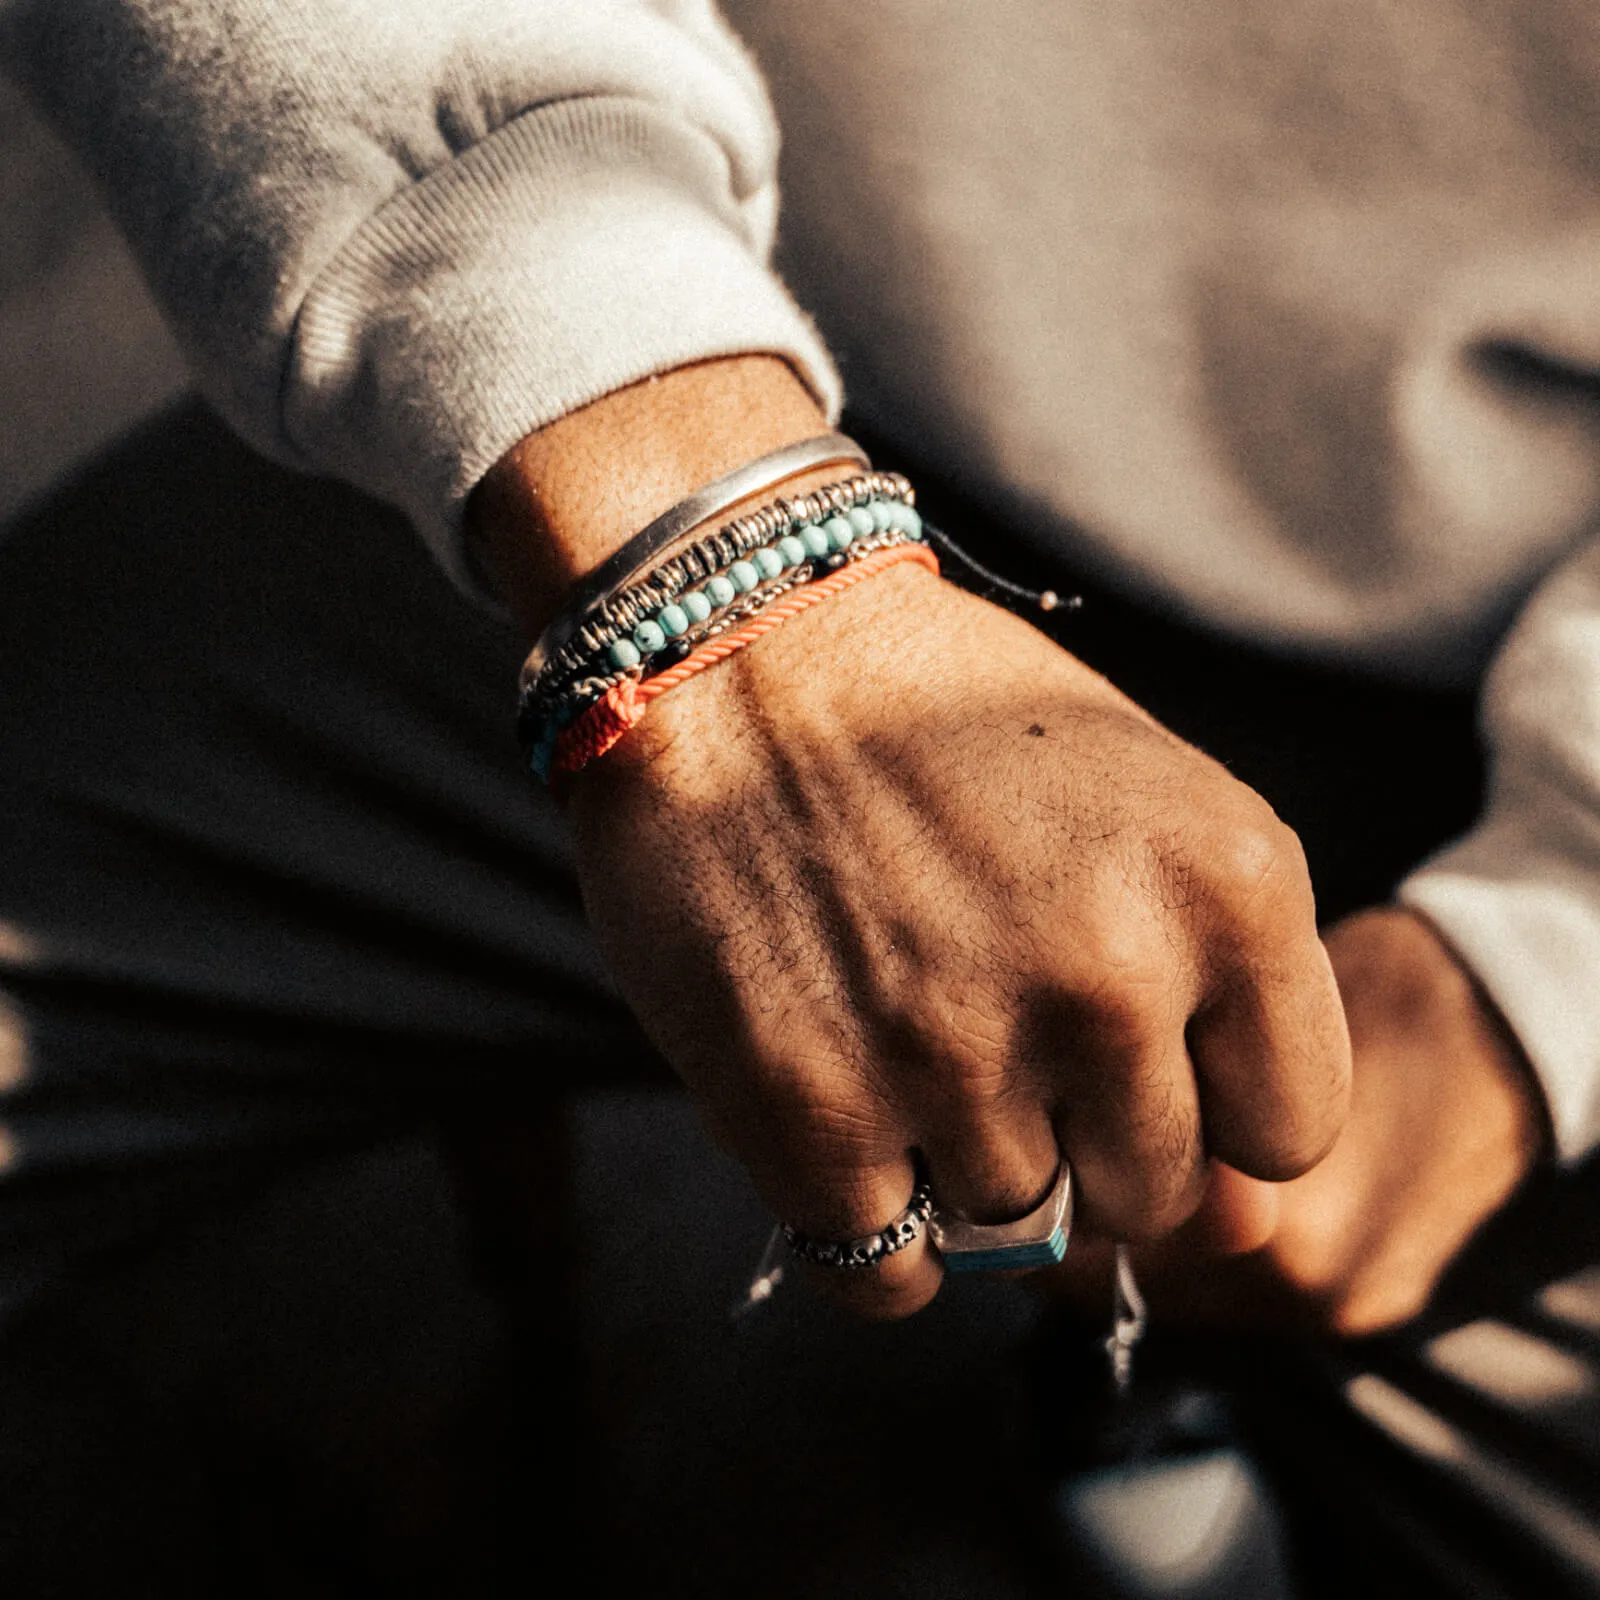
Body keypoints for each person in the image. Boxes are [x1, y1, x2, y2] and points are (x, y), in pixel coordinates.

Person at [0, 0, 1591, 1586]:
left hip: (1484, 675)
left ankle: (1134, 1390)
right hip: (649, 338)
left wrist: (1540, 962)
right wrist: (672, 490)